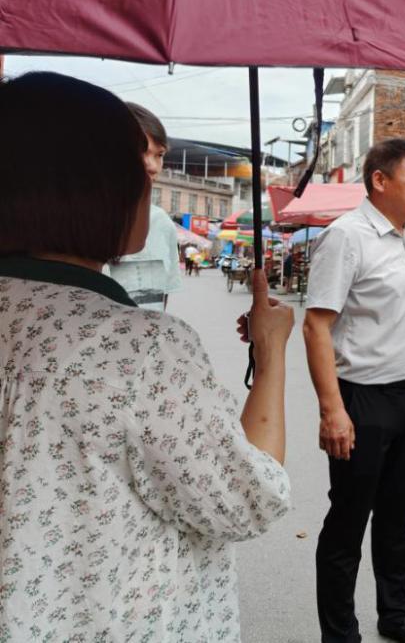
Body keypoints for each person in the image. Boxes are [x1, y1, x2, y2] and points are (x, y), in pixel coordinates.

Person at [0, 72, 293, 642]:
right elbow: (247, 500)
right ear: (96, 189)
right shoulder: (139, 347)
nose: (150, 184)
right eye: (138, 169)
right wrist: (272, 351)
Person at [304, 138, 405, 643]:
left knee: (397, 515)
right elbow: (316, 327)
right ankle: (340, 633)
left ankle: (396, 613)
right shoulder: (347, 237)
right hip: (361, 400)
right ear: (380, 180)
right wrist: (332, 411)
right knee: (347, 523)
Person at [105, 102, 183, 309]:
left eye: (160, 155)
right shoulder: (71, 223)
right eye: (141, 151)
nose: (153, 166)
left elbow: (159, 301)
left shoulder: (161, 223)